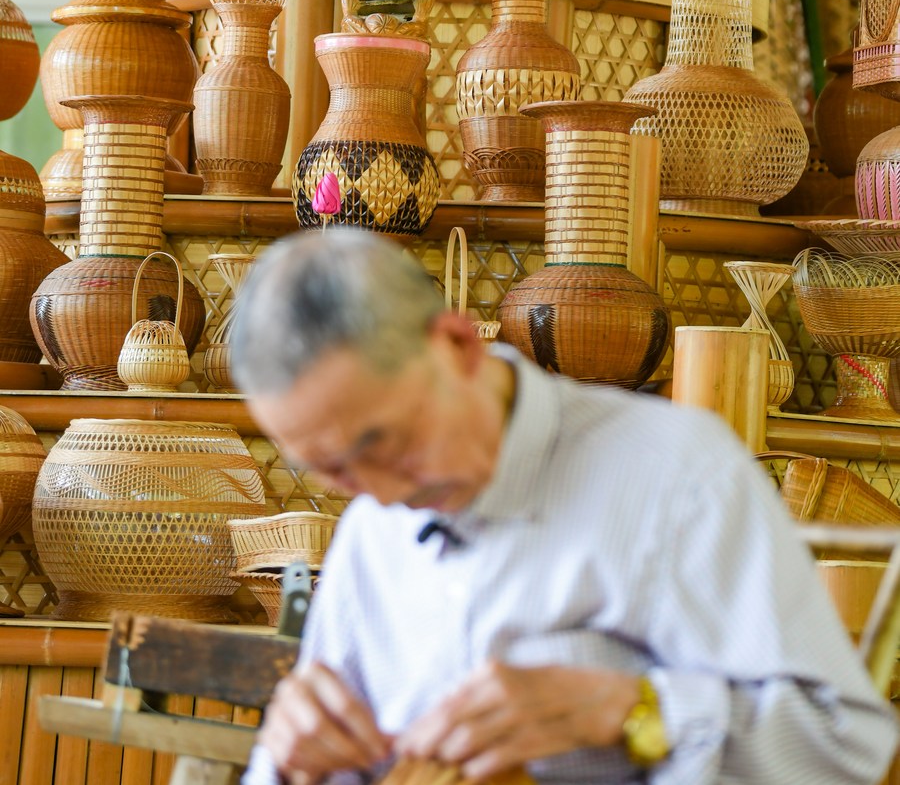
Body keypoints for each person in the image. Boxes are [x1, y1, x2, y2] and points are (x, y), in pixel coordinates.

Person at [233, 228, 898, 785]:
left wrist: (634, 710)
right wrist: (291, 757)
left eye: (386, 441)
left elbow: (844, 750)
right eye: (333, 472)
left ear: (458, 347)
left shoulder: (677, 476)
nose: (381, 494)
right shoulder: (372, 533)